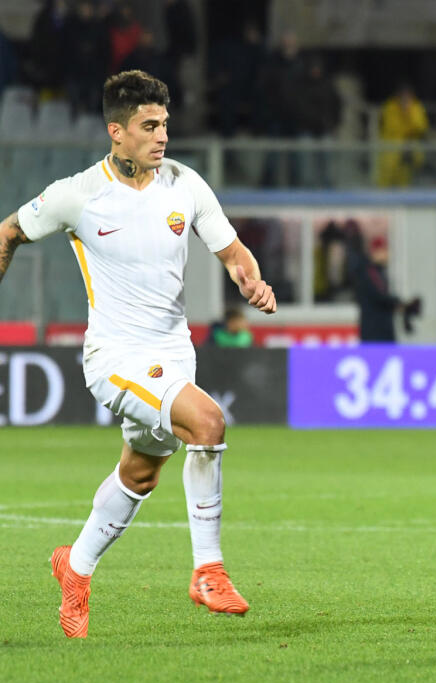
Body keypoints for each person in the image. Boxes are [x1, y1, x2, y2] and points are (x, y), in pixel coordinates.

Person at [0, 70, 277, 638]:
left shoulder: (184, 185)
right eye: (149, 127)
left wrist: (251, 280)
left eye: (165, 125)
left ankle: (73, 569)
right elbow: (6, 233)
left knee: (142, 474)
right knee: (208, 422)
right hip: (116, 356)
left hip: (174, 354)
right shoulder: (77, 195)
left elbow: (232, 252)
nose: (161, 137)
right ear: (116, 133)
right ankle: (208, 570)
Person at [349, 234, 421, 342]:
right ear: (376, 252)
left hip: (381, 331)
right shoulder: (369, 271)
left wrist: (402, 307)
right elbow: (380, 296)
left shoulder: (378, 271)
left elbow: (383, 299)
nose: (388, 254)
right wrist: (401, 303)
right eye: (384, 250)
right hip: (374, 333)